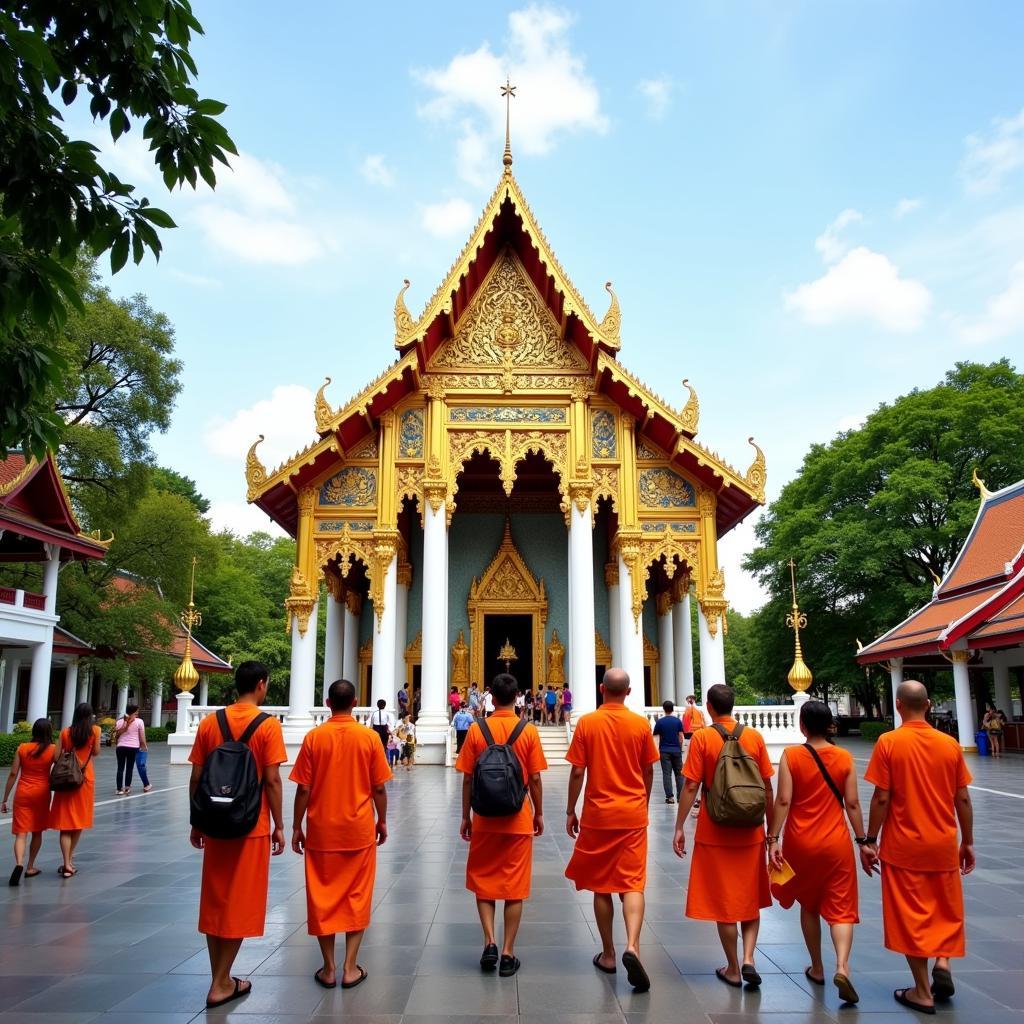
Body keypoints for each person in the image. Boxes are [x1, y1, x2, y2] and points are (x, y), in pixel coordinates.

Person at [861, 680, 974, 1015]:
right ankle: (943, 960)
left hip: (904, 845)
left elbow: (882, 797)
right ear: (927, 705)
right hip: (942, 843)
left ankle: (922, 991)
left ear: (898, 706)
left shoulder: (889, 742)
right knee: (945, 909)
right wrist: (967, 840)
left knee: (912, 916)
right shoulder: (949, 744)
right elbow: (963, 798)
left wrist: (870, 839)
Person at [188, 660, 287, 1010]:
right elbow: (272, 780)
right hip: (251, 824)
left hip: (214, 821)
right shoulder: (267, 726)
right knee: (240, 901)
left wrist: (196, 821)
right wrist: (279, 824)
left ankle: (222, 977)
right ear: (261, 685)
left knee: (216, 899)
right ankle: (220, 982)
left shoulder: (210, 723)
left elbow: (197, 778)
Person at [673, 683, 774, 989]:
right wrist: (771, 831)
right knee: (750, 897)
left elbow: (691, 786)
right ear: (733, 705)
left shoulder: (703, 738)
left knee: (725, 902)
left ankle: (732, 967)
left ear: (709, 706)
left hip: (715, 828)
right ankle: (748, 959)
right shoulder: (754, 736)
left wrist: (679, 826)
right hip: (751, 830)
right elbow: (767, 786)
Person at [291, 678, 390, 989]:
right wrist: (382, 820)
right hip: (358, 829)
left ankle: (329, 967)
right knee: (357, 896)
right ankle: (350, 967)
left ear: (328, 703)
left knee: (322, 897)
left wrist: (295, 826)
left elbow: (304, 789)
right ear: (356, 701)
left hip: (322, 831)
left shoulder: (314, 738)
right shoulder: (370, 738)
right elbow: (379, 787)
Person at [566, 667, 659, 993]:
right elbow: (648, 770)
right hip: (632, 814)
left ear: (601, 689)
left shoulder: (588, 723)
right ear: (629, 692)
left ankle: (608, 953)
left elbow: (578, 771)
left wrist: (570, 810)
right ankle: (632, 945)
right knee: (632, 883)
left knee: (602, 886)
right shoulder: (639, 724)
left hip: (598, 814)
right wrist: (642, 802)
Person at [767, 701, 865, 1005]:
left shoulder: (792, 755)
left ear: (802, 726)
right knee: (842, 907)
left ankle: (818, 967)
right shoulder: (844, 757)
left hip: (801, 841)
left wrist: (773, 838)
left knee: (809, 904)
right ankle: (842, 966)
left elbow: (783, 800)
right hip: (836, 842)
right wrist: (863, 840)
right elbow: (851, 804)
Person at [457, 672, 547, 977]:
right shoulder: (528, 731)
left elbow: (468, 778)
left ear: (491, 698)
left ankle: (489, 941)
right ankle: (508, 951)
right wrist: (538, 812)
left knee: (484, 882)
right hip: (517, 817)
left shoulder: (476, 730)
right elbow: (534, 778)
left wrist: (465, 816)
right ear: (518, 697)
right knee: (514, 889)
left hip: (483, 818)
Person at [49, 702, 102, 879]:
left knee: (65, 824)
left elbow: (56, 756)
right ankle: (69, 862)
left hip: (66, 779)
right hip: (85, 779)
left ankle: (66, 863)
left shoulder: (65, 732)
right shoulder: (95, 731)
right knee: (79, 821)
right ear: (90, 715)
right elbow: (95, 752)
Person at [2, 718, 54, 886]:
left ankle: (19, 863)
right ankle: (30, 866)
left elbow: (13, 774)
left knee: (21, 833)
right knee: (37, 832)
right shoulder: (52, 750)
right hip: (42, 793)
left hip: (23, 792)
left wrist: (4, 799)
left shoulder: (22, 748)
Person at [653, 701, 685, 803]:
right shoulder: (677, 721)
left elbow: (656, 738)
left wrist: (656, 750)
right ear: (673, 709)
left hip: (664, 750)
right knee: (679, 774)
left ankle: (669, 797)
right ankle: (680, 797)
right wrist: (680, 749)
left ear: (664, 709)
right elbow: (681, 737)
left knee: (666, 774)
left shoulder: (660, 722)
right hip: (676, 750)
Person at [682, 695, 707, 818]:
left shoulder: (689, 711)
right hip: (701, 737)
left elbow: (685, 726)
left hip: (692, 738)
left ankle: (697, 800)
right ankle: (700, 799)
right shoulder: (700, 711)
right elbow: (704, 724)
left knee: (693, 773)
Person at [114, 703, 146, 795]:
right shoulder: (139, 722)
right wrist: (144, 745)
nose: (137, 714)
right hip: (133, 747)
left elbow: (116, 735)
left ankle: (119, 789)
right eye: (136, 713)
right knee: (129, 768)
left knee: (120, 768)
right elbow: (142, 736)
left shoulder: (119, 721)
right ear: (132, 712)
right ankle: (127, 788)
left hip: (121, 747)